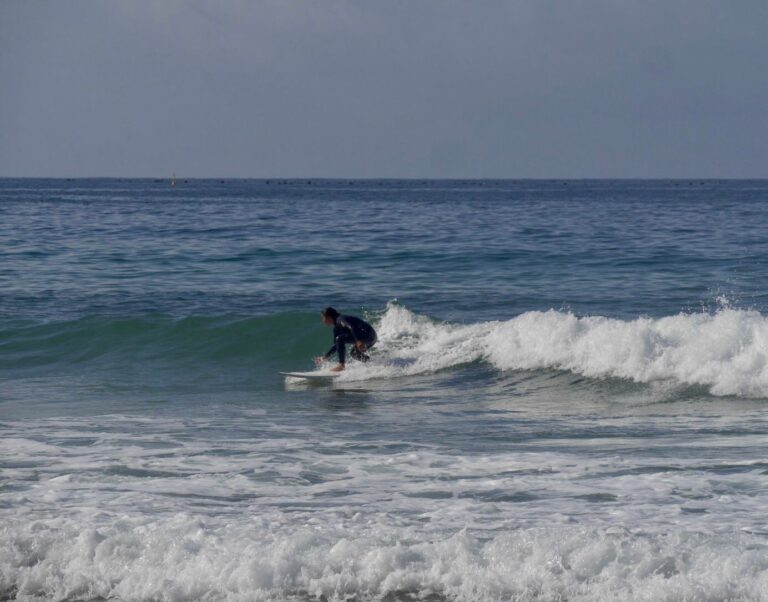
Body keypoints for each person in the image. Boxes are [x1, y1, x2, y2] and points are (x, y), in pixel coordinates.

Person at [315, 307, 377, 372]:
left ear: (329, 317)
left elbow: (352, 327)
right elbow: (337, 345)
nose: (322, 320)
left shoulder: (341, 319)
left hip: (368, 335)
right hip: (371, 337)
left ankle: (341, 365)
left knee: (339, 338)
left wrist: (358, 340)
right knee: (354, 354)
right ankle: (374, 364)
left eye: (323, 317)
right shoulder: (336, 328)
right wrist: (325, 357)